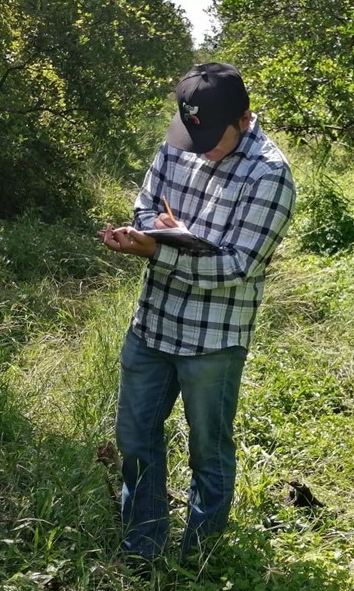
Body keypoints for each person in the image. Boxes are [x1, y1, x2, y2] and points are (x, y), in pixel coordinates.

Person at [99, 62, 296, 564]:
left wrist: (160, 252)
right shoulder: (178, 142)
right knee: (135, 437)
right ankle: (142, 545)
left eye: (212, 137)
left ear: (245, 118)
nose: (200, 148)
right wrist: (151, 231)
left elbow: (239, 266)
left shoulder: (269, 174)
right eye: (193, 134)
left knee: (209, 449)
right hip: (154, 321)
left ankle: (200, 557)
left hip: (214, 337)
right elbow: (145, 204)